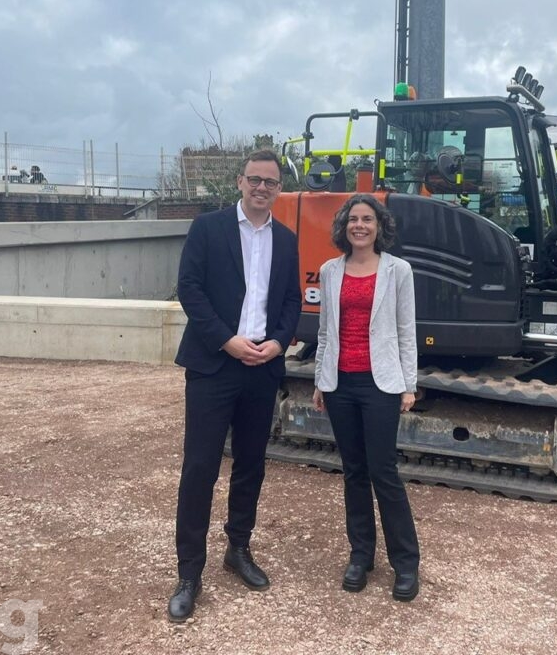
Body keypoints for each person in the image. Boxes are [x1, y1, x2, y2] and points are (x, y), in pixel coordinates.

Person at [168, 149, 302, 623]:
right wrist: (227, 341)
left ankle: (238, 548)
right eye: (255, 179)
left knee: (251, 465)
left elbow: (290, 300)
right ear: (240, 183)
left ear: (279, 188)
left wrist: (279, 343)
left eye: (271, 181)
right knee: (200, 467)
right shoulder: (208, 228)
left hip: (261, 368)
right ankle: (189, 573)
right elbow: (190, 288)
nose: (262, 187)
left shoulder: (286, 240)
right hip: (214, 365)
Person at [311, 194, 421, 602]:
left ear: (379, 226)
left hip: (381, 385)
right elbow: (326, 332)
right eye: (353, 219)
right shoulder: (329, 271)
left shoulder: (398, 271)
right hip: (341, 383)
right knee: (354, 472)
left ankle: (406, 564)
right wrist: (321, 379)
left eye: (367, 219)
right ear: (344, 226)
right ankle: (361, 555)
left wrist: (408, 384)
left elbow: (406, 329)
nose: (360, 225)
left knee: (384, 472)